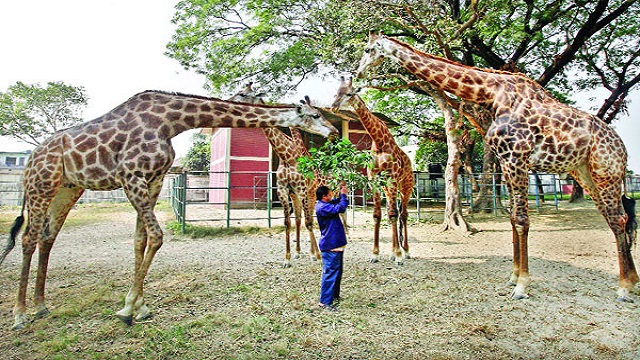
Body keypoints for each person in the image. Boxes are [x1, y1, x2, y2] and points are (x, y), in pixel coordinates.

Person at [315, 182, 349, 311]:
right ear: (324, 196)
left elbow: (339, 201)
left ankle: (334, 296)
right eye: (330, 194)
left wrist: (342, 192)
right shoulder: (322, 208)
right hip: (330, 246)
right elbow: (341, 208)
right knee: (330, 273)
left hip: (336, 245)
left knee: (337, 272)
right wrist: (344, 195)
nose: (332, 195)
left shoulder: (326, 204)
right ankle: (324, 302)